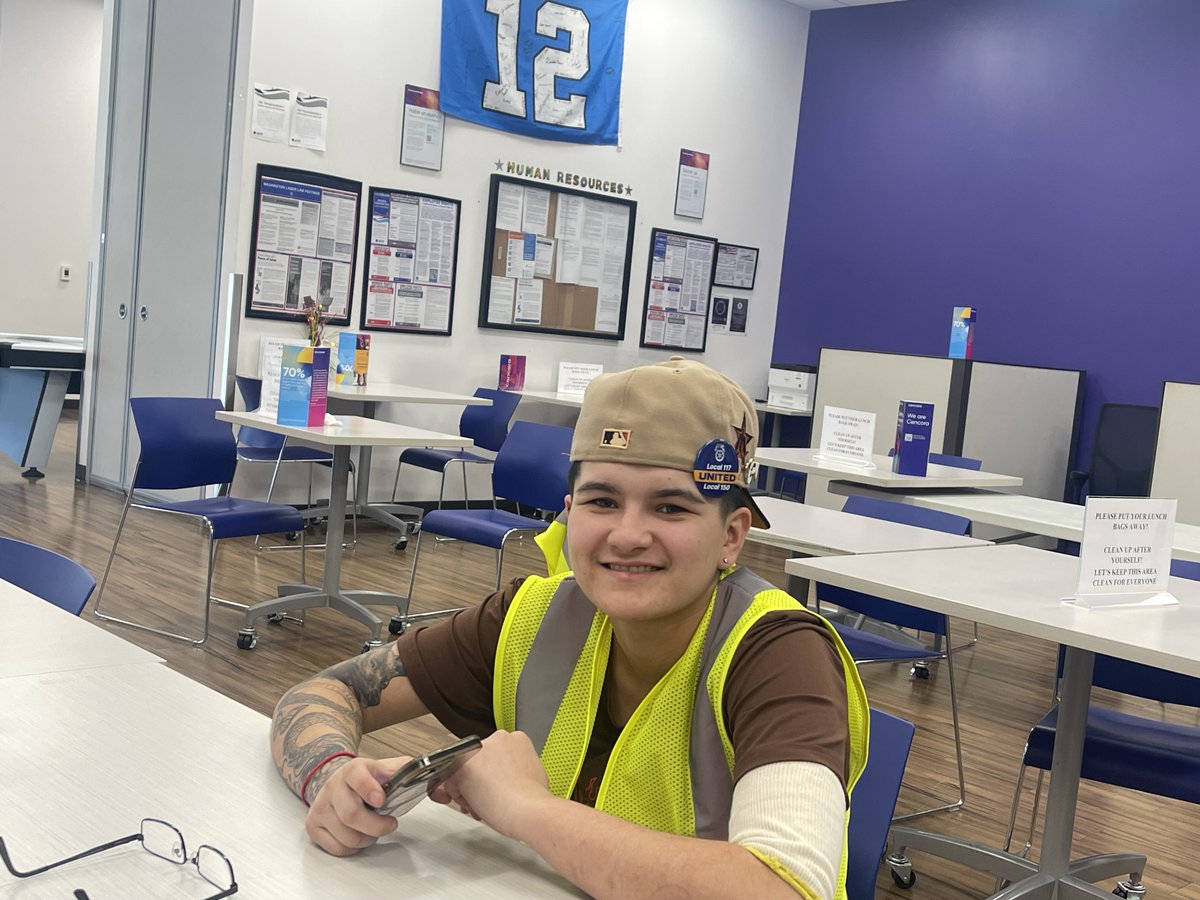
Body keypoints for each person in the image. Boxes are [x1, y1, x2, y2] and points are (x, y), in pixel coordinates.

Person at [270, 357, 869, 900]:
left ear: (732, 536)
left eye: (671, 507)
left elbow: (785, 890)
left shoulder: (779, 652)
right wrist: (336, 780)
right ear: (567, 510)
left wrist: (524, 808)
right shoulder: (532, 616)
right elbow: (325, 693)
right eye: (601, 501)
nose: (627, 535)